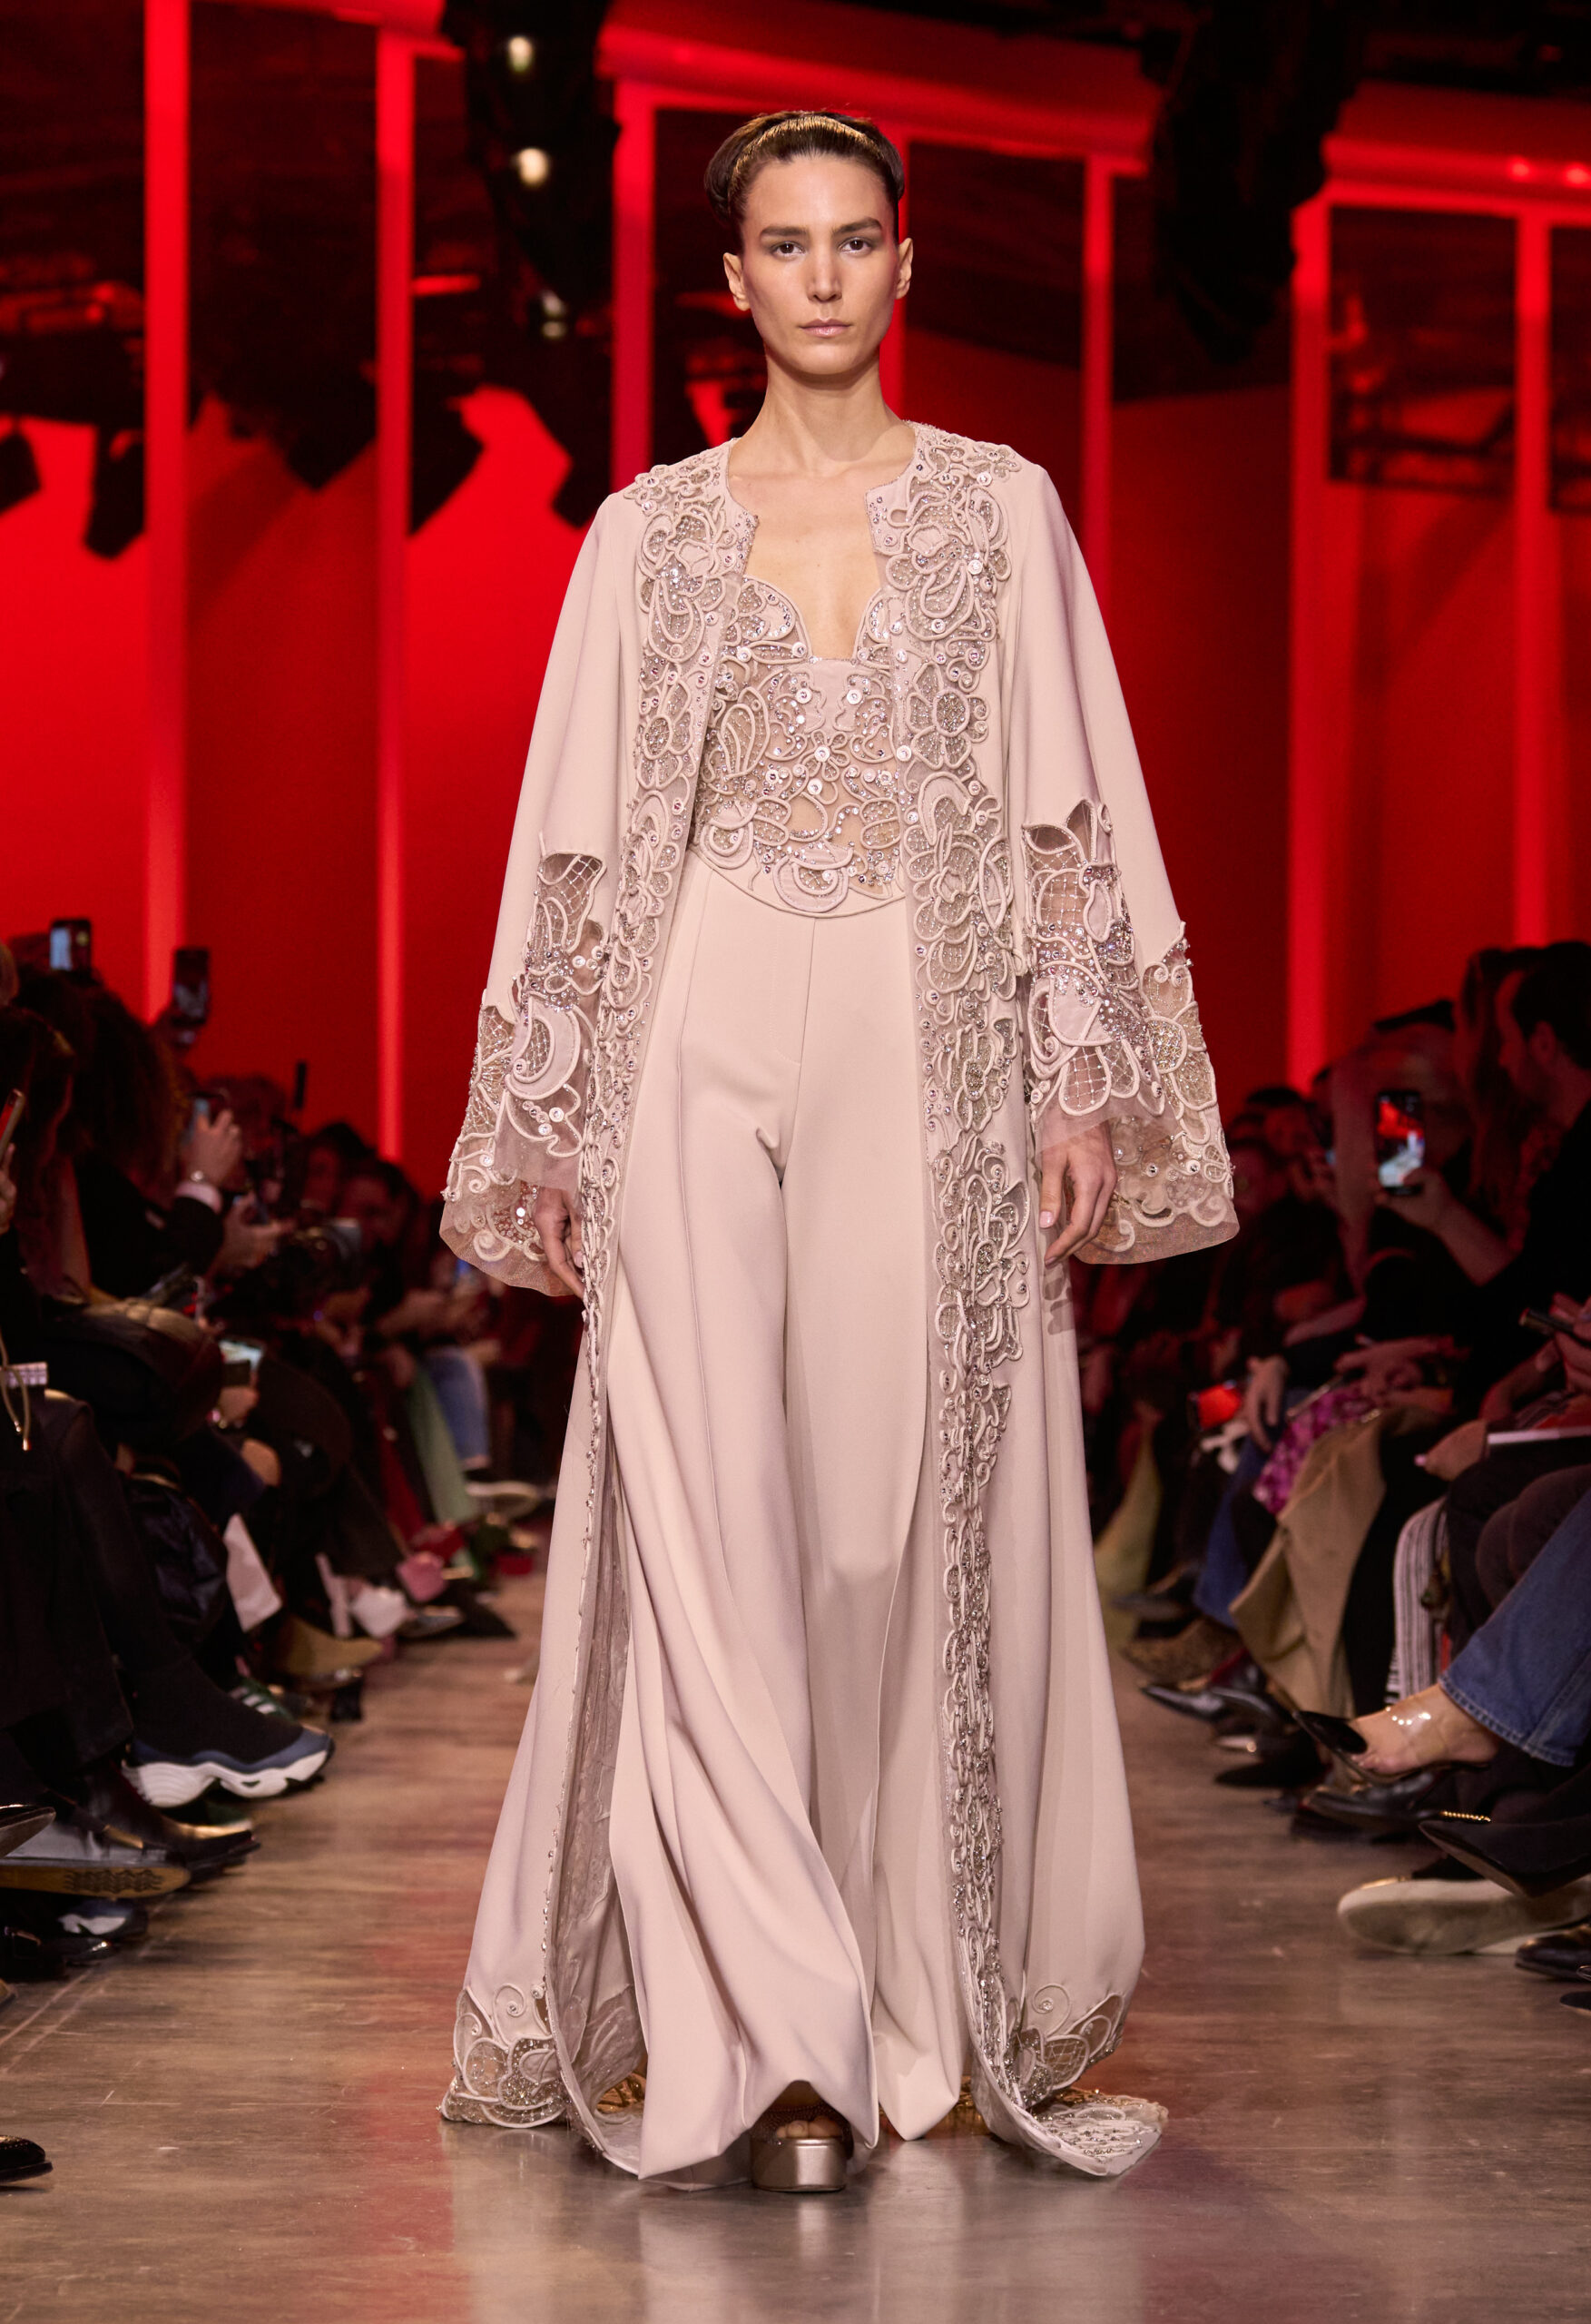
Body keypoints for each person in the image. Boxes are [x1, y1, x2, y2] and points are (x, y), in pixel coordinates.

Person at [439, 109, 1234, 2193]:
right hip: (690, 1013)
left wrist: (1074, 1075)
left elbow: (1062, 809)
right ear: (731, 280)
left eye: (853, 238)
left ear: (900, 263)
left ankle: (890, 1985)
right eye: (782, 243)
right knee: (704, 1513)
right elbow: (578, 835)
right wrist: (552, 1114)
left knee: (882, 1528)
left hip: (918, 1009)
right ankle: (773, 2037)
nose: (818, 274)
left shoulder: (998, 508)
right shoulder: (646, 532)